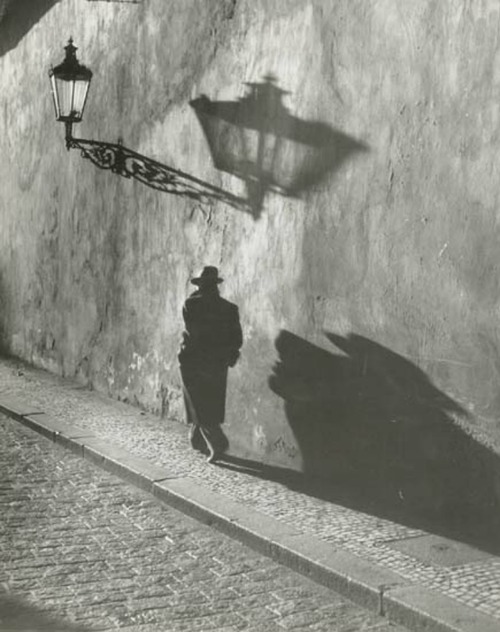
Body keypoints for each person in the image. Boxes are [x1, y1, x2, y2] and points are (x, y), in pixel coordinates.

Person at [178, 266, 243, 463]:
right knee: (211, 400)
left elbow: (192, 332)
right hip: (218, 362)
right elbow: (237, 338)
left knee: (197, 402)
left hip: (194, 360)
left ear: (200, 285)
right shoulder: (230, 308)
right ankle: (197, 439)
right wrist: (228, 354)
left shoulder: (192, 304)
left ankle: (217, 443)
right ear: (216, 285)